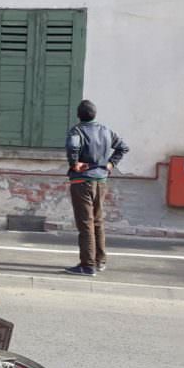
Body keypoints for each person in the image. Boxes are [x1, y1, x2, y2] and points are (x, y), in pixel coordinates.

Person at [64, 99, 129, 276]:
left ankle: (87, 265)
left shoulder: (77, 130)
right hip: (101, 180)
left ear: (79, 115)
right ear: (95, 114)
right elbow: (123, 147)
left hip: (82, 181)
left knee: (86, 223)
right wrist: (110, 164)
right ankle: (100, 261)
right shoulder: (106, 130)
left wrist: (74, 163)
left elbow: (72, 147)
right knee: (98, 222)